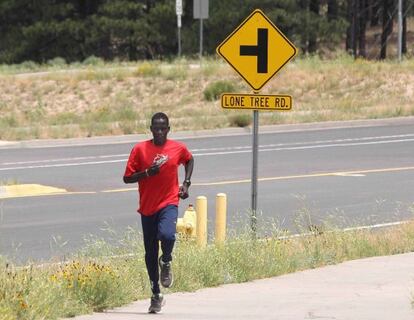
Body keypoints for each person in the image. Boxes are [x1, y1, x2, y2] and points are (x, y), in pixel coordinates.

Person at [123, 112, 194, 313]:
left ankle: (167, 260)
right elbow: (127, 178)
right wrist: (146, 173)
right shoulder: (140, 149)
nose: (160, 132)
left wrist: (186, 184)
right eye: (156, 128)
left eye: (163, 128)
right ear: (151, 129)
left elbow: (189, 160)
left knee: (167, 235)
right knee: (150, 253)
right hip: (147, 207)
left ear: (168, 129)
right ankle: (155, 293)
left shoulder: (177, 148)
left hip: (169, 201)